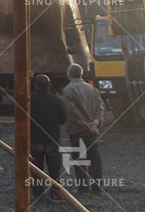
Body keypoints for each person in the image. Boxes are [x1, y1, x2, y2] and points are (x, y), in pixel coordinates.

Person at [62, 64, 105, 194]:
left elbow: (72, 110)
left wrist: (83, 123)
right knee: (94, 157)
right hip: (92, 129)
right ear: (82, 73)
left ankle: (83, 187)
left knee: (79, 158)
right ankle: (97, 186)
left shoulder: (68, 90)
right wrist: (96, 122)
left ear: (69, 74)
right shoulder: (92, 89)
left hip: (76, 129)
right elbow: (100, 106)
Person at [30, 74, 67, 200]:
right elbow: (63, 118)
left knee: (36, 170)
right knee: (54, 170)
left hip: (35, 139)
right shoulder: (56, 100)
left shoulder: (30, 100)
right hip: (52, 138)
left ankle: (38, 195)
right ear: (49, 85)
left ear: (35, 85)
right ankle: (56, 193)